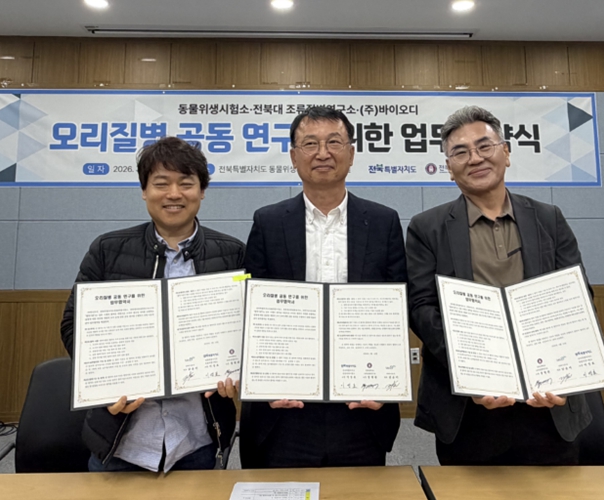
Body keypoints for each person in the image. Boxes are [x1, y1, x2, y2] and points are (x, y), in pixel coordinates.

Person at [406, 105, 593, 465]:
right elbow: (422, 309)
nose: (474, 158)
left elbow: (578, 299)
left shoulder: (549, 218)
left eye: (484, 146)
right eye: (460, 152)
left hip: (547, 402)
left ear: (506, 153)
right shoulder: (426, 227)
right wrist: (474, 372)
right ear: (449, 168)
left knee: (554, 489)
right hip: (469, 406)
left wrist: (563, 372)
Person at [60, 136, 244, 472]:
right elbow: (74, 326)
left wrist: (237, 370)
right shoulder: (108, 250)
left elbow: (246, 330)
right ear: (144, 190)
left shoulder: (232, 255)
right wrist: (105, 382)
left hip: (197, 439)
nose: (174, 194)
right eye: (161, 183)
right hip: (121, 439)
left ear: (202, 191)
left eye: (186, 183)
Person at [239, 106, 408, 468]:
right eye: (310, 144)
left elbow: (398, 308)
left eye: (334, 142)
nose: (322, 153)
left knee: (362, 493)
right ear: (293, 156)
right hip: (286, 408)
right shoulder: (268, 222)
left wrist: (388, 380)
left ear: (351, 152)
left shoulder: (383, 222)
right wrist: (265, 381)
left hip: (361, 405)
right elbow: (253, 309)